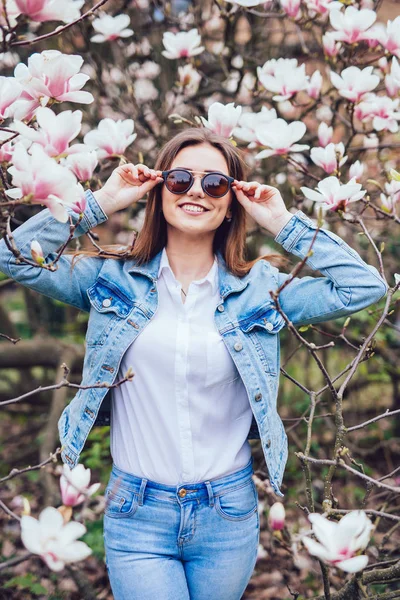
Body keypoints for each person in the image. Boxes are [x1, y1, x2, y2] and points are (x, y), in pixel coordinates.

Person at [0, 128, 388, 599]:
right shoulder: (111, 279)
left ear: (232, 203)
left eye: (216, 184)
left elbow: (364, 287)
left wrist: (283, 222)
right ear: (159, 189)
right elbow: (13, 256)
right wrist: (101, 200)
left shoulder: (263, 291)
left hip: (227, 514)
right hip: (137, 512)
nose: (197, 191)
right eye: (181, 178)